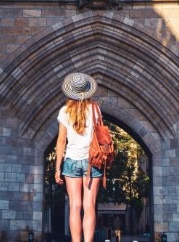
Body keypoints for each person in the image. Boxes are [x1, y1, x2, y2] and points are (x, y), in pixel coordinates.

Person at [54, 72, 103, 242]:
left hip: (71, 161)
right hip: (92, 161)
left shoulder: (64, 111)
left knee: (75, 206)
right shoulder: (95, 109)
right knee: (89, 206)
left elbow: (61, 141)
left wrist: (57, 168)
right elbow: (99, 136)